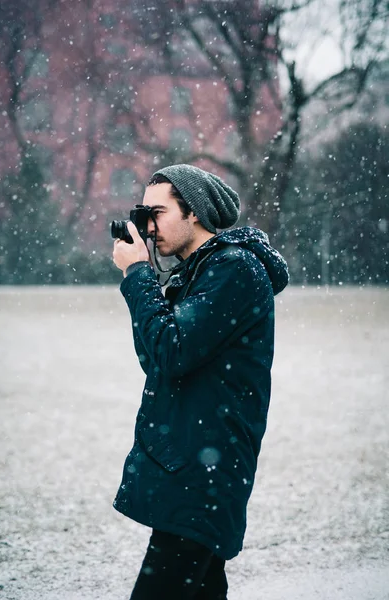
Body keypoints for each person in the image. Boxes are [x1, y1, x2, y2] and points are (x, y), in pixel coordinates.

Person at [112, 164, 289, 599]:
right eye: (143, 214)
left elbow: (171, 352)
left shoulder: (233, 270)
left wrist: (138, 275)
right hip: (193, 469)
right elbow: (156, 357)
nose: (148, 228)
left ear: (194, 213)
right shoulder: (200, 272)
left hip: (204, 475)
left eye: (157, 212)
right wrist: (149, 282)